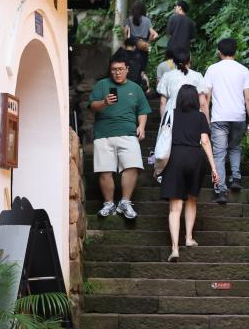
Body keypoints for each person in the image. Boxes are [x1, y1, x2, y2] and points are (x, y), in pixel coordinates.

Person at [161, 84, 219, 262]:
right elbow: (205, 141)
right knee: (192, 198)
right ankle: (188, 237)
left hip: (175, 157)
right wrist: (214, 167)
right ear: (195, 99)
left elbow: (163, 137)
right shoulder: (200, 117)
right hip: (195, 158)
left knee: (175, 206)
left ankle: (175, 248)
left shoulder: (171, 114)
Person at [88, 56, 151, 220]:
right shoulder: (102, 85)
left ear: (127, 70)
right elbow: (92, 106)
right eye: (114, 69)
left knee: (133, 165)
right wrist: (104, 102)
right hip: (103, 133)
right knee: (104, 170)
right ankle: (109, 203)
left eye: (120, 69)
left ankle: (124, 202)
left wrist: (141, 126)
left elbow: (142, 110)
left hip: (128, 133)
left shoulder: (135, 88)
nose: (117, 73)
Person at [203, 38, 249, 205]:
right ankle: (236, 178)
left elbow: (206, 97)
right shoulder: (243, 70)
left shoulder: (212, 69)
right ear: (235, 52)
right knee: (235, 147)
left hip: (219, 117)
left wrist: (206, 119)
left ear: (219, 52)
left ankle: (221, 190)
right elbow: (248, 98)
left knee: (219, 153)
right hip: (238, 116)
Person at [157, 50, 207, 116]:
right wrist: (207, 121)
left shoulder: (167, 76)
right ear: (189, 60)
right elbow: (202, 103)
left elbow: (162, 102)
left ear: (174, 61)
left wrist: (163, 120)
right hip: (193, 115)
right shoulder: (197, 76)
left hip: (172, 114)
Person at [123, 0, 158, 75]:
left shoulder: (129, 19)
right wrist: (148, 42)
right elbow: (153, 34)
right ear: (143, 9)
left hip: (132, 44)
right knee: (142, 69)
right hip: (143, 45)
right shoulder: (147, 20)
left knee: (131, 67)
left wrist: (127, 41)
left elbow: (125, 31)